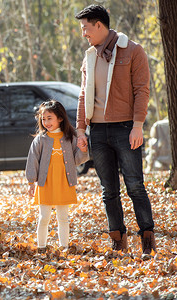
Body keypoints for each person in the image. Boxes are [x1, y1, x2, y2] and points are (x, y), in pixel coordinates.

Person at [75, 5, 156, 257]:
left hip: (126, 129)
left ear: (99, 25)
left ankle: (147, 241)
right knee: (108, 190)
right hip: (97, 132)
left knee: (135, 187)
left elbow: (142, 90)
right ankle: (118, 241)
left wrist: (138, 126)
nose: (84, 34)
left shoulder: (132, 50)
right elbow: (82, 95)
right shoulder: (89, 56)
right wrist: (80, 129)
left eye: (86, 28)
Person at [25, 100, 89, 253]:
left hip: (64, 182)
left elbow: (77, 160)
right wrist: (31, 182)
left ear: (60, 118)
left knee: (63, 217)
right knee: (44, 217)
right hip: (45, 183)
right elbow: (32, 160)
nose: (46, 122)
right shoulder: (40, 140)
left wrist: (83, 149)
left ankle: (64, 247)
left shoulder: (70, 137)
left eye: (49, 118)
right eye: (43, 118)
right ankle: (41, 247)